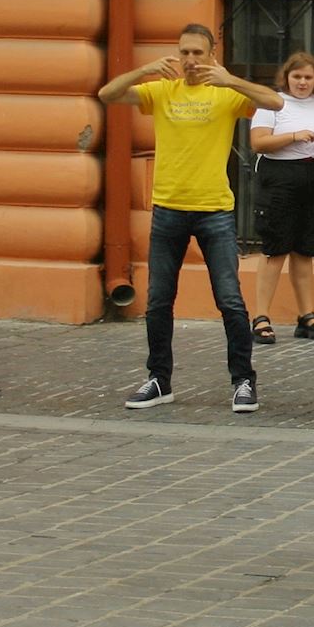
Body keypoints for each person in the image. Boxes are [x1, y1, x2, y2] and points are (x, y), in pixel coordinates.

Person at [98, 22, 283, 413]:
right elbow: (108, 94)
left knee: (230, 300)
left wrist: (230, 79)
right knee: (158, 301)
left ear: (211, 54)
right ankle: (158, 380)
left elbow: (275, 103)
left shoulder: (225, 93)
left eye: (198, 53)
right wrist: (144, 70)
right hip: (168, 209)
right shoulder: (163, 90)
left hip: (214, 209)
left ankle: (244, 381)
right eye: (184, 52)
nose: (190, 60)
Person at [248, 52, 314, 345]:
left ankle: (307, 315)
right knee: (275, 248)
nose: (302, 82)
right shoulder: (273, 103)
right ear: (286, 77)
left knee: (305, 249)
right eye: (297, 76)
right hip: (279, 177)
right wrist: (293, 136)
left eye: (308, 77)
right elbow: (258, 142)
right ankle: (261, 316)